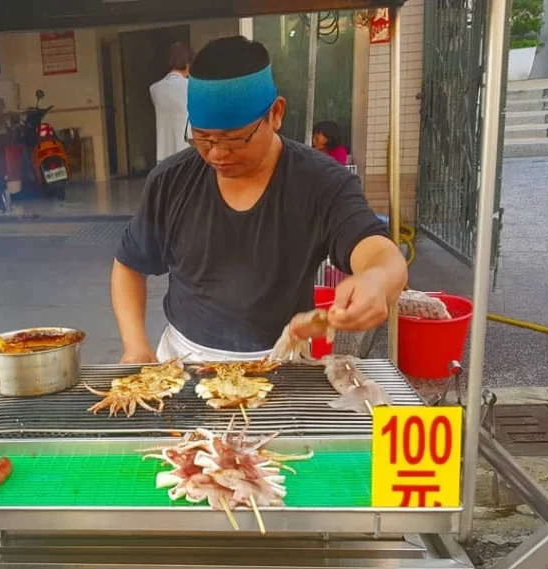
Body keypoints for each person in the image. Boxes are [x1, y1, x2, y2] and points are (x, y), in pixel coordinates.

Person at [114, 37, 407, 363]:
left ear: (276, 113)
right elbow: (128, 264)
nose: (216, 153)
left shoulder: (321, 182)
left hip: (280, 361)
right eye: (202, 137)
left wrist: (376, 281)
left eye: (235, 138)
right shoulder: (171, 181)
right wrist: (136, 345)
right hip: (184, 360)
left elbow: (381, 253)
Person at [150, 42, 194, 162]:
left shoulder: (155, 89)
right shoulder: (191, 87)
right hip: (187, 152)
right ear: (188, 63)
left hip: (164, 155)